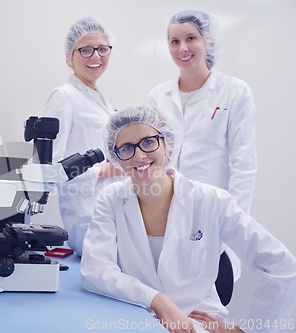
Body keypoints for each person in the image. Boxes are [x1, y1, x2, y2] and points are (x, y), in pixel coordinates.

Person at [80, 105, 296, 333]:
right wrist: (157, 300)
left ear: (167, 143)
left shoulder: (212, 200)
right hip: (136, 320)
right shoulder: (111, 199)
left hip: (199, 325)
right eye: (126, 149)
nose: (139, 155)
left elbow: (282, 266)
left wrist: (245, 331)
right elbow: (95, 269)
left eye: (148, 142)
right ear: (116, 158)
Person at [146, 9, 257, 282]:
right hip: (164, 217)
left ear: (207, 40)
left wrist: (232, 226)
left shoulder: (234, 91)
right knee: (166, 312)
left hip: (214, 219)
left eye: (191, 38)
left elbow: (244, 165)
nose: (182, 48)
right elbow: (148, 161)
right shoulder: (158, 96)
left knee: (210, 314)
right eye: (174, 41)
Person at [43, 16, 123, 255]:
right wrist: (102, 171)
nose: (96, 56)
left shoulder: (97, 97)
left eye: (101, 49)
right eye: (86, 50)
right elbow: (48, 171)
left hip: (108, 210)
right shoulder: (64, 96)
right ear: (70, 56)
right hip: (86, 218)